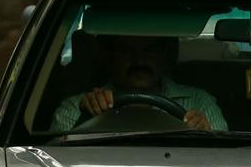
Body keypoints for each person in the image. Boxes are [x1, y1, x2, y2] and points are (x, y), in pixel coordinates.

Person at [51, 33, 228, 132]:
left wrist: (206, 135)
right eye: (125, 50)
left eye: (149, 49)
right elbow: (58, 161)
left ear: (164, 55)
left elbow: (223, 163)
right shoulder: (76, 109)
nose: (139, 60)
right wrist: (88, 123)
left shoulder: (199, 103)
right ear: (109, 57)